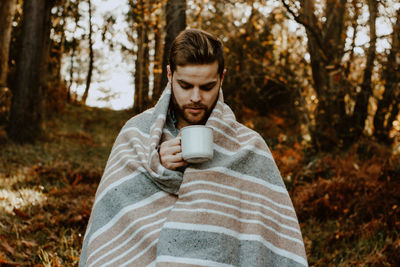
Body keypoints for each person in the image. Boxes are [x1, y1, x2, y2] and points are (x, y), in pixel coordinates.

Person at [79, 29, 308, 267]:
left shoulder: (249, 146)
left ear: (221, 78)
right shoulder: (137, 135)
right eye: (185, 85)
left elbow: (271, 234)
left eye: (207, 87)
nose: (196, 97)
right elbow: (113, 219)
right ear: (170, 75)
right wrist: (155, 165)